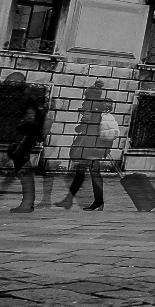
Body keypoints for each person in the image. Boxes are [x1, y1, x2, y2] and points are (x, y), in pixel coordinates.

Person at [55, 81, 114, 211]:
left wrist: (80, 126)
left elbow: (83, 126)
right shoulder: (102, 108)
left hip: (88, 146)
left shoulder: (90, 106)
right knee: (84, 173)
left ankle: (97, 201)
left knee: (89, 174)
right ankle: (70, 200)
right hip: (97, 145)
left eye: (87, 94)